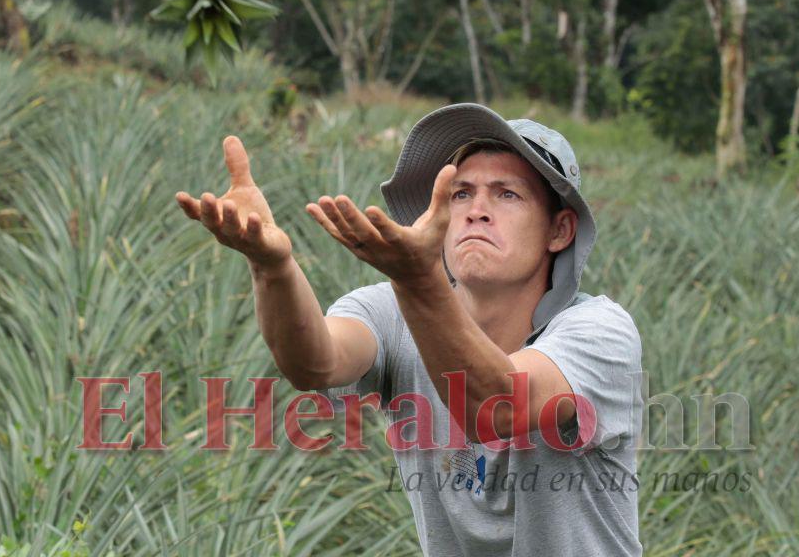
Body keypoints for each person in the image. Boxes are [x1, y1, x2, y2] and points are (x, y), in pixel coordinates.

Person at [175, 102, 644, 556]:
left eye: (507, 194)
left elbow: (496, 408)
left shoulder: (598, 332)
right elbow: (314, 363)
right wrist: (271, 266)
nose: (476, 210)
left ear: (560, 231)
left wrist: (418, 280)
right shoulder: (392, 310)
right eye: (461, 193)